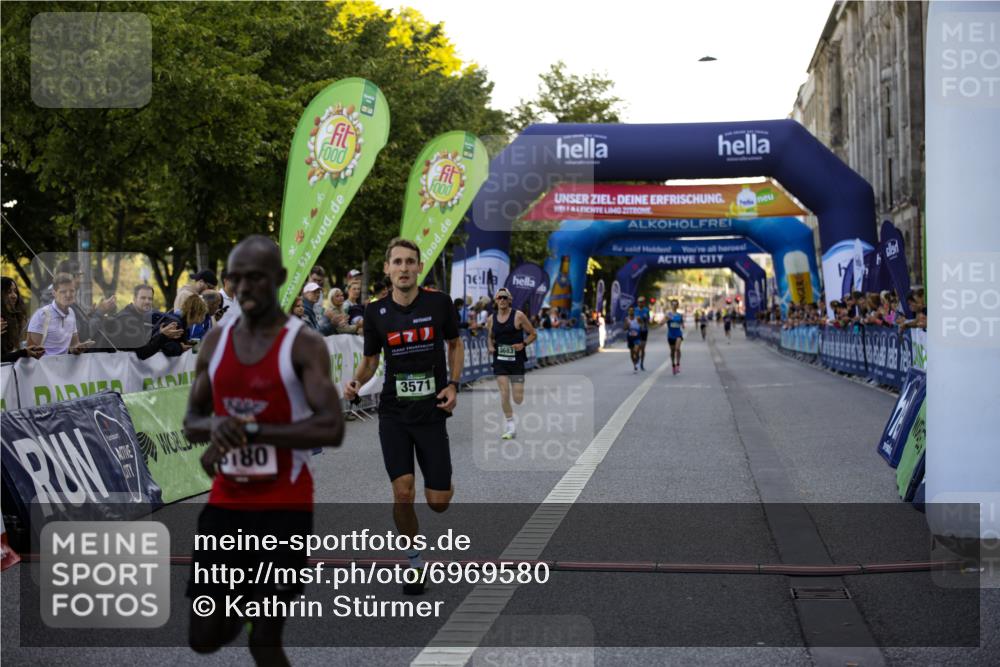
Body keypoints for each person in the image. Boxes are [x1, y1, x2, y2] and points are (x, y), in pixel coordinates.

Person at [182, 236, 343, 666]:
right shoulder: (216, 344)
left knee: (264, 642)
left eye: (256, 277)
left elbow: (331, 425)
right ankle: (244, 603)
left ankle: (258, 611)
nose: (245, 287)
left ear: (280, 280)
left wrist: (254, 431)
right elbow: (192, 422)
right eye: (236, 279)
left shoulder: (303, 345)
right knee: (203, 637)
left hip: (284, 506)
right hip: (226, 506)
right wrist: (216, 427)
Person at [344, 237, 462, 595]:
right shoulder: (375, 312)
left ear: (418, 267)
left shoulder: (440, 304)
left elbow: (454, 346)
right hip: (394, 412)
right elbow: (370, 361)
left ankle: (442, 484)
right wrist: (355, 381)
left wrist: (453, 384)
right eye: (397, 262)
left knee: (438, 502)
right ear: (387, 269)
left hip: (431, 411)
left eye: (410, 262)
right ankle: (413, 562)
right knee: (403, 492)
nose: (404, 268)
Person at [486, 287, 537, 439]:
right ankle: (510, 425)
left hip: (516, 361)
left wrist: (523, 344)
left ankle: (516, 400)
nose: (502, 300)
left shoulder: (518, 316)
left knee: (518, 398)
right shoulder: (491, 319)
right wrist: (489, 345)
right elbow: (490, 336)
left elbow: (533, 334)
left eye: (504, 298)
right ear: (496, 301)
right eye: (499, 298)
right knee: (504, 392)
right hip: (500, 360)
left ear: (510, 300)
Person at [93, 284, 184, 359]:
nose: (147, 301)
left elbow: (143, 344)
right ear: (134, 299)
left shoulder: (135, 316)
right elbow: (143, 353)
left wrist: (160, 333)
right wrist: (163, 335)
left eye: (150, 299)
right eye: (143, 298)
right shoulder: (129, 319)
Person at [26, 273, 94, 355]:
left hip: (63, 365)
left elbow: (73, 346)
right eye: (63, 292)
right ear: (54, 293)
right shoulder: (41, 315)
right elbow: (31, 352)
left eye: (72, 290)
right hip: (44, 366)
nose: (68, 295)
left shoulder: (71, 313)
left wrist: (80, 348)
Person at [1, 277, 45, 362]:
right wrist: (23, 353)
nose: (14, 296)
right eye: (8, 292)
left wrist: (27, 351)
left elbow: (7, 354)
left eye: (15, 291)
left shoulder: (12, 320)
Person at [666, 299, 684, 374]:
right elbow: (661, 323)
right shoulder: (669, 314)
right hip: (670, 335)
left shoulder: (679, 315)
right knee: (672, 351)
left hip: (678, 334)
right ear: (671, 305)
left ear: (677, 305)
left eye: (676, 304)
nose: (674, 305)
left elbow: (682, 324)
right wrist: (667, 319)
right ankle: (673, 364)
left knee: (677, 349)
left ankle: (678, 364)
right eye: (673, 304)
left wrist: (682, 325)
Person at [624, 306, 642, 373]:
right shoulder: (627, 319)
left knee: (636, 351)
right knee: (632, 354)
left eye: (632, 310)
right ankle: (635, 365)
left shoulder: (638, 318)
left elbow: (642, 325)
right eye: (630, 310)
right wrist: (627, 325)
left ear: (634, 311)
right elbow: (624, 328)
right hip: (630, 338)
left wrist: (640, 326)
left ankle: (637, 362)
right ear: (628, 312)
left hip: (637, 337)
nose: (631, 312)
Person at [635, 296, 650, 371]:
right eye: (639, 302)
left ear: (644, 303)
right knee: (637, 348)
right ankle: (637, 360)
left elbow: (648, 321)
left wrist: (644, 321)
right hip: (637, 331)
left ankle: (641, 364)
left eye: (641, 302)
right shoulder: (635, 310)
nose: (640, 303)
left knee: (643, 348)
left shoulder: (646, 310)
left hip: (644, 331)